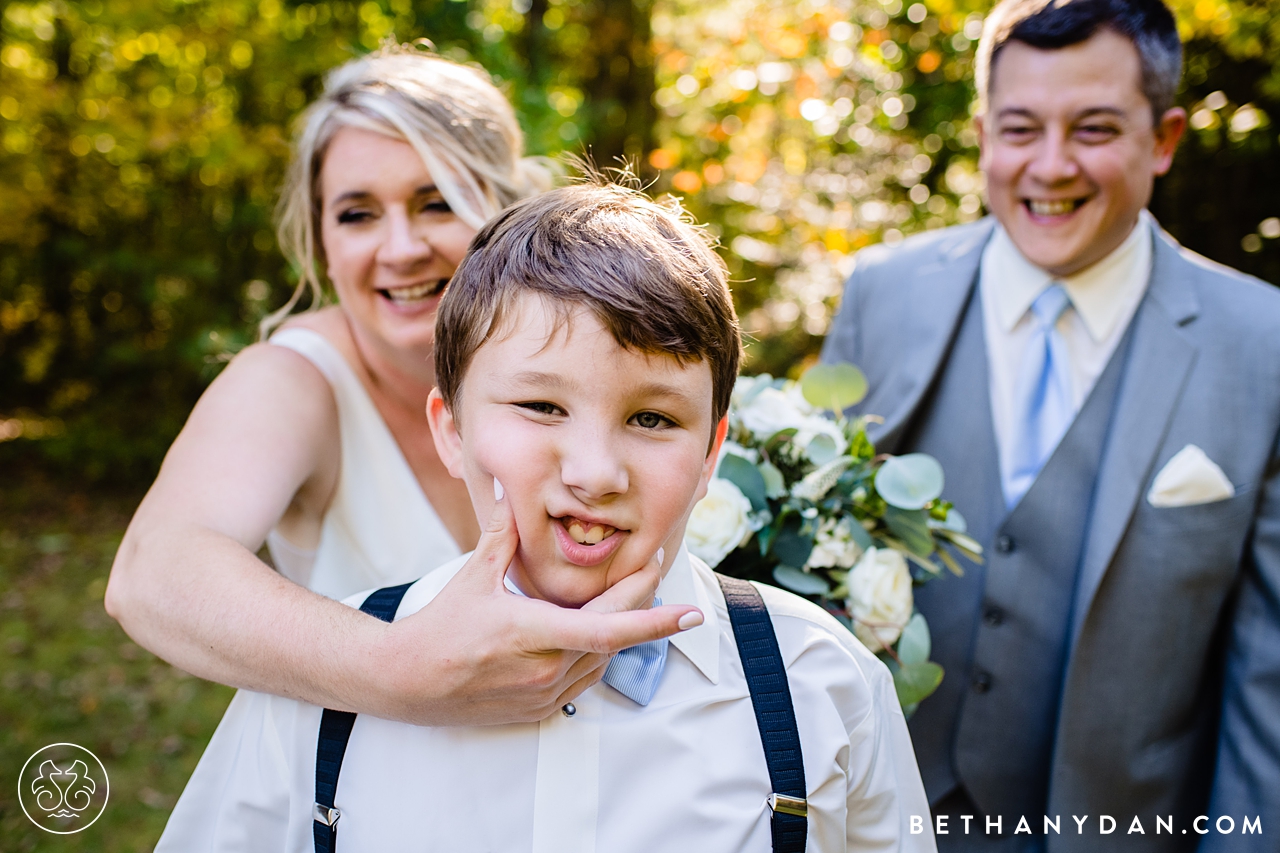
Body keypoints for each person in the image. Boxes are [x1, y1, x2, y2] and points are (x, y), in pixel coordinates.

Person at [154, 181, 935, 852]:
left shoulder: (822, 689)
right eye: (540, 405)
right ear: (451, 431)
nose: (595, 471)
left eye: (653, 419)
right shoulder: (314, 698)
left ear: (710, 454)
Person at [104, 45, 703, 729]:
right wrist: (399, 664)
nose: (400, 249)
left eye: (436, 202)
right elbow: (154, 573)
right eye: (357, 214)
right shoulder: (294, 379)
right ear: (321, 238)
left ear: (503, 207)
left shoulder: (616, 377)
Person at [822, 0, 1280, 848]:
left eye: (1095, 129)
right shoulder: (881, 296)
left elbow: (1270, 690)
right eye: (1020, 128)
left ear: (1166, 137)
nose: (1051, 166)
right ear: (985, 132)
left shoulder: (1263, 347)